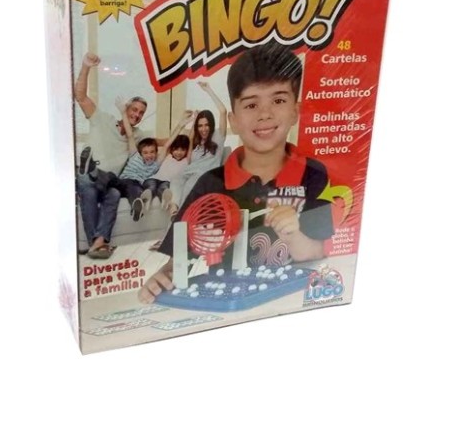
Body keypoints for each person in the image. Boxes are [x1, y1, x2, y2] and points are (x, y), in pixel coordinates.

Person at [139, 41, 334, 303]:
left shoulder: (313, 174)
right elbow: (178, 262)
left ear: (295, 112)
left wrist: (292, 235)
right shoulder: (211, 183)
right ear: (233, 120)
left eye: (278, 100)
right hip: (229, 307)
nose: (265, 114)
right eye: (251, 105)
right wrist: (163, 278)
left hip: (293, 301)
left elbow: (318, 253)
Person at [74, 52, 148, 259]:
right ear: (126, 108)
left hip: (108, 183)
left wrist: (184, 126)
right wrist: (86, 66)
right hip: (87, 179)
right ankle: (98, 243)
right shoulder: (103, 119)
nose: (137, 115)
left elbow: (162, 143)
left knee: (114, 193)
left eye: (141, 113)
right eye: (134, 109)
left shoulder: (138, 136)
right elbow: (80, 97)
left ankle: (95, 245)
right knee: (87, 186)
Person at [166, 81, 228, 217]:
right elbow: (189, 161)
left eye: (206, 125)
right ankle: (174, 209)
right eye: (200, 126)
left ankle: (181, 217)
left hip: (205, 175)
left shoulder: (218, 137)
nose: (203, 129)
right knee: (176, 180)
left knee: (189, 185)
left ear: (211, 125)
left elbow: (223, 111)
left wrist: (208, 90)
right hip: (190, 171)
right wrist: (194, 122)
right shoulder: (197, 142)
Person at [141, 114, 194, 211]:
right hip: (154, 178)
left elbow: (191, 140)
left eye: (182, 150)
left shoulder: (186, 160)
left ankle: (165, 202)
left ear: (187, 151)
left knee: (164, 189)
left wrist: (194, 122)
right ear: (171, 149)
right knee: (151, 186)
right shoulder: (168, 156)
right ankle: (145, 201)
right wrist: (181, 125)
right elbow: (168, 143)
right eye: (176, 149)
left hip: (167, 182)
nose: (179, 152)